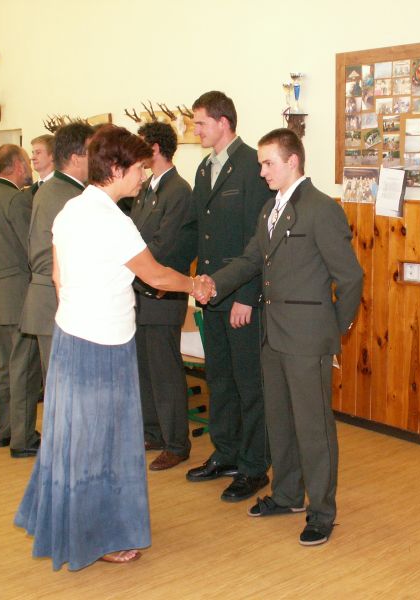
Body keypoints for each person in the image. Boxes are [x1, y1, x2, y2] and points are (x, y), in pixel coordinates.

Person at [14, 125, 213, 570]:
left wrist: (80, 309)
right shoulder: (112, 220)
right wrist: (195, 285)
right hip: (104, 345)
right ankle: (98, 537)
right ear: (118, 169)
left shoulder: (71, 209)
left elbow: (58, 277)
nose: (144, 176)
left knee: (73, 439)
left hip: (72, 336)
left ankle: (67, 525)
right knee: (102, 445)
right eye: (140, 168)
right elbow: (155, 275)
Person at [204, 128, 363, 546]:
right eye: (261, 164)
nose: (262, 172)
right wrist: (213, 284)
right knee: (279, 422)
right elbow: (250, 260)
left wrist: (333, 328)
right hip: (273, 335)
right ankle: (288, 494)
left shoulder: (321, 208)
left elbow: (350, 277)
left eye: (268, 163)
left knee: (313, 429)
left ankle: (321, 512)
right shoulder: (270, 209)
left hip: (309, 338)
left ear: (292, 161)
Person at [169, 91, 271, 502]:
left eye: (200, 123)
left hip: (241, 297)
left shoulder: (251, 165)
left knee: (249, 385)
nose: (195, 130)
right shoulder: (203, 169)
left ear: (223, 122)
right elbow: (201, 231)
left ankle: (253, 466)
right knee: (220, 380)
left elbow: (257, 242)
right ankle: (226, 453)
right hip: (211, 295)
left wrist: (247, 295)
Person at [131, 121, 193, 471]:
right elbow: (132, 236)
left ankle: (176, 443)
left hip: (162, 292)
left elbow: (164, 244)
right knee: (145, 367)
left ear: (155, 148)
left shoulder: (178, 190)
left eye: (140, 146)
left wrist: (135, 265)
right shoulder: (145, 189)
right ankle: (152, 431)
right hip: (140, 291)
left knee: (165, 370)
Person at [0, 144, 42, 457]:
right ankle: (23, 438)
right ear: (17, 165)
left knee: (4, 366)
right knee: (24, 368)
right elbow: (31, 247)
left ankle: (4, 430)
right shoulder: (16, 199)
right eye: (27, 161)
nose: (30, 167)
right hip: (20, 294)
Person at [21, 122, 93, 379]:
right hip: (55, 302)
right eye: (92, 152)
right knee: (64, 385)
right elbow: (47, 257)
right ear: (76, 158)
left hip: (52, 301)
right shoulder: (67, 195)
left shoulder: (58, 189)